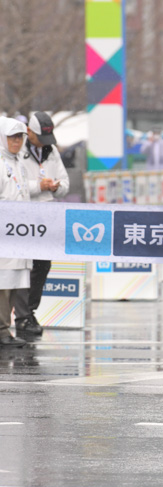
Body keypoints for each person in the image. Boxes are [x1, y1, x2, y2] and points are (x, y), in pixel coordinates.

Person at [13, 111, 70, 336]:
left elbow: (65, 182)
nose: (44, 143)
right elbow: (14, 183)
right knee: (22, 266)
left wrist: (56, 187)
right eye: (39, 137)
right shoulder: (17, 151)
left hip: (47, 215)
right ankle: (21, 315)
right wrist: (39, 186)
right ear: (29, 132)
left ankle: (30, 311)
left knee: (42, 266)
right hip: (23, 215)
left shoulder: (52, 150)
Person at [0, 117, 32, 348]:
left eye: (20, 137)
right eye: (12, 137)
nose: (17, 141)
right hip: (3, 235)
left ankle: (5, 329)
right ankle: (2, 331)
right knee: (2, 284)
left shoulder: (19, 163)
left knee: (13, 282)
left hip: (18, 236)